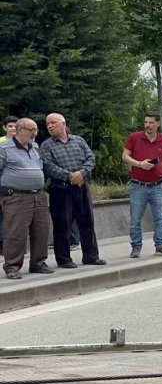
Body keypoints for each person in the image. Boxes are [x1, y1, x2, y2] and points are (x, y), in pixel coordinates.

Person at [40, 113, 105, 268]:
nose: (50, 126)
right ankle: (63, 259)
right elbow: (47, 166)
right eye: (48, 123)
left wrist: (82, 173)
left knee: (87, 222)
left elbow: (91, 158)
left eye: (53, 122)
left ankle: (91, 256)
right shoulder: (46, 145)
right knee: (62, 225)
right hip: (60, 189)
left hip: (82, 186)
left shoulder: (79, 140)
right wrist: (69, 176)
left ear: (63, 124)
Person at [0, 118, 53, 279]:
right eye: (31, 130)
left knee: (41, 230)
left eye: (36, 130)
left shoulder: (35, 147)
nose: (35, 133)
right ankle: (12, 266)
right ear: (19, 130)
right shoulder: (4, 148)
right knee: (16, 232)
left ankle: (38, 263)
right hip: (16, 196)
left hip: (38, 194)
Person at [122, 113, 162, 258]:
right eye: (146, 122)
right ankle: (136, 246)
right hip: (138, 185)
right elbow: (125, 156)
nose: (147, 125)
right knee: (135, 219)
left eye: (151, 123)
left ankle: (160, 245)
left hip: (158, 185)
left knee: (160, 218)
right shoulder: (134, 137)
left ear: (158, 124)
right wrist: (139, 164)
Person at [0, 115, 16, 255]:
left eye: (16, 126)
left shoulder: (24, 143)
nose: (13, 129)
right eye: (10, 126)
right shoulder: (1, 143)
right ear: (4, 128)